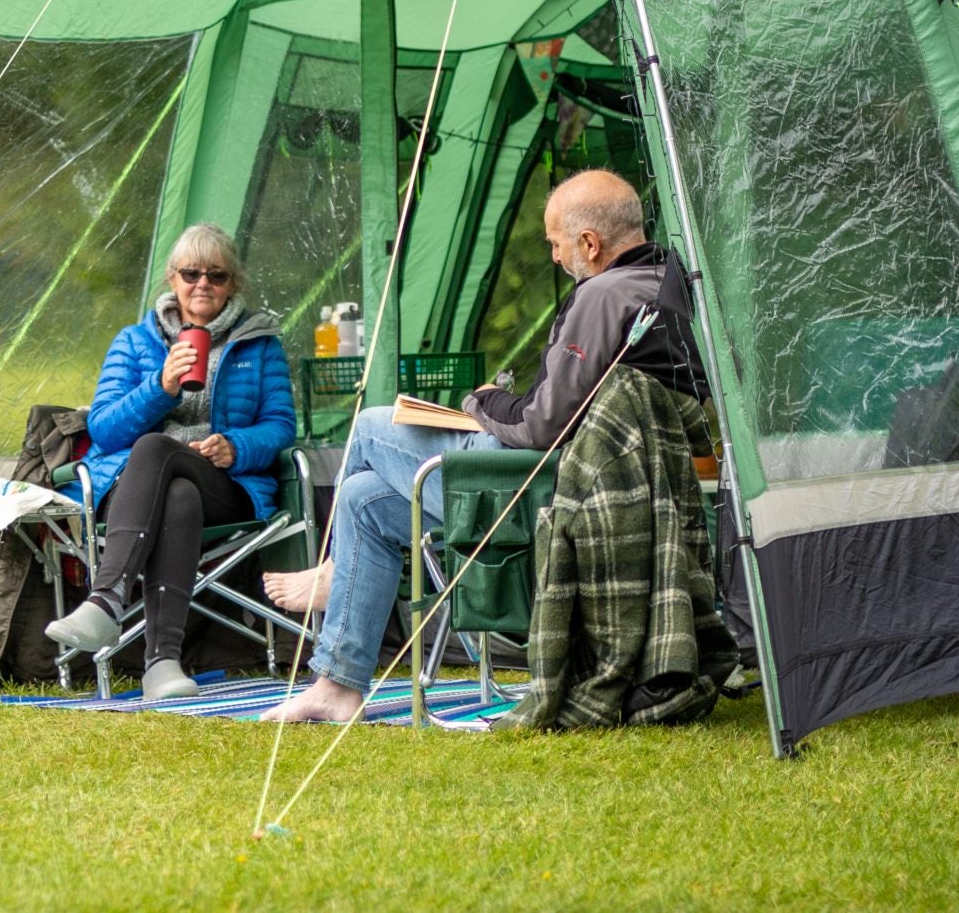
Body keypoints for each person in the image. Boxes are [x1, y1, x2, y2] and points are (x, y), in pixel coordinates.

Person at [264, 168, 704, 722]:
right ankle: (337, 687)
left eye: (555, 244)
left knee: (372, 425)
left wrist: (483, 403)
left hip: (540, 494)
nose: (552, 257)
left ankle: (333, 571)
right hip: (606, 498)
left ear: (589, 244)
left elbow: (544, 426)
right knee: (362, 501)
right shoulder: (669, 286)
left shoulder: (602, 295)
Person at [42, 223, 297, 702]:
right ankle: (162, 666)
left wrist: (237, 446)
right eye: (191, 273)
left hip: (225, 483)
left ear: (233, 284)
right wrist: (159, 387)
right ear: (172, 279)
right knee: (169, 479)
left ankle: (107, 599)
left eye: (216, 276)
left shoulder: (260, 344)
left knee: (166, 459)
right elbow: (105, 428)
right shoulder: (135, 341)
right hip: (138, 487)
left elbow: (281, 425)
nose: (203, 284)